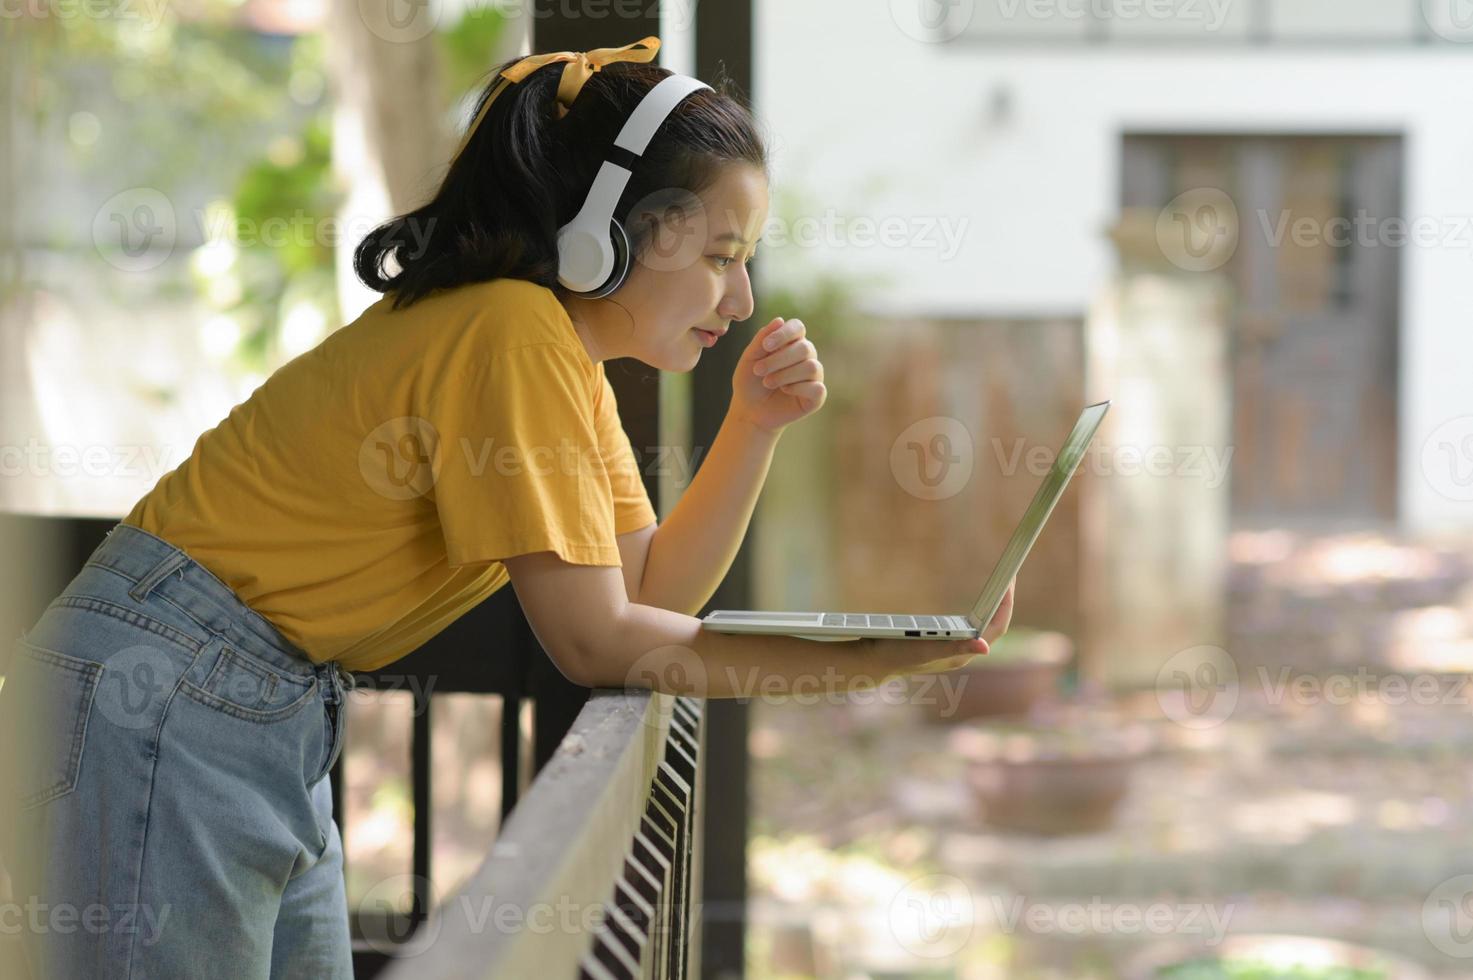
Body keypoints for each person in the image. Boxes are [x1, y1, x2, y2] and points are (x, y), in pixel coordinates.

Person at [0, 35, 1013, 979]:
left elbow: (652, 584)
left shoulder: (560, 359)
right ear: (607, 238)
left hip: (255, 698)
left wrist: (751, 426)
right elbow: (597, 640)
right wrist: (872, 662)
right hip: (172, 686)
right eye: (717, 253)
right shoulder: (513, 331)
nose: (741, 297)